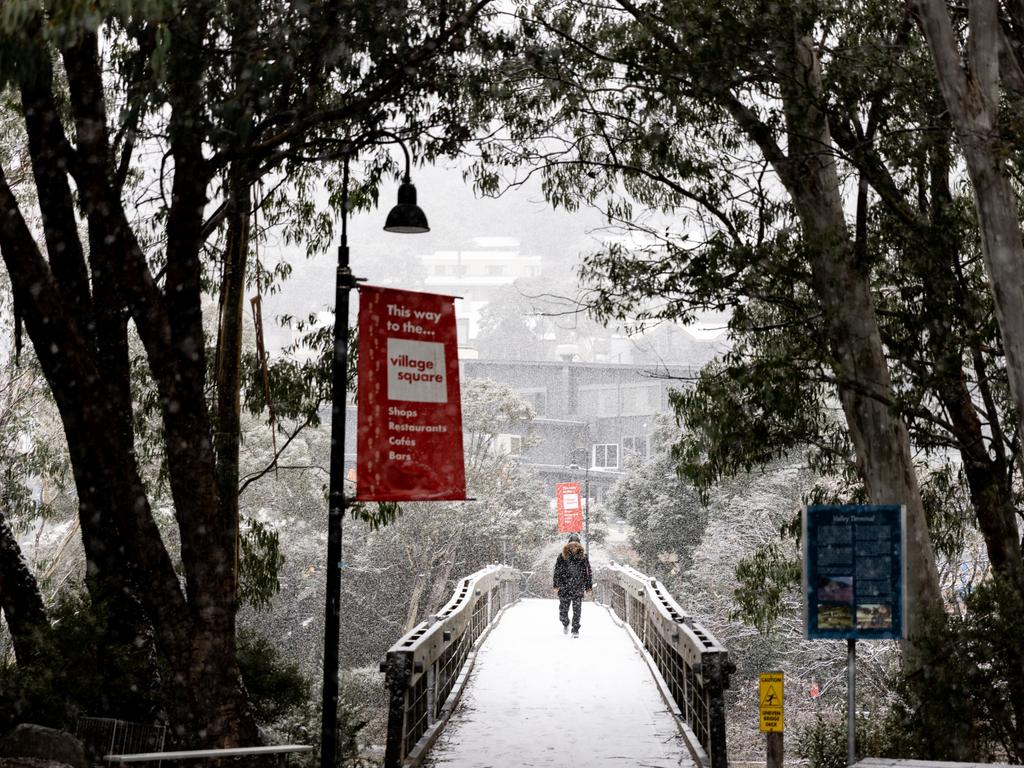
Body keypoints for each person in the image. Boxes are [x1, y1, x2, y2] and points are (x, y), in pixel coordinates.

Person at [552, 533, 592, 637]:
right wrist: (556, 585)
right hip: (564, 588)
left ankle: (575, 630)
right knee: (563, 612)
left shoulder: (583, 557)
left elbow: (587, 572)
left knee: (577, 610)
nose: (573, 547)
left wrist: (588, 587)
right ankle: (565, 623)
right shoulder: (562, 557)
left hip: (578, 587)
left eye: (576, 545)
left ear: (579, 546)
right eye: (572, 545)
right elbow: (557, 571)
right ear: (568, 546)